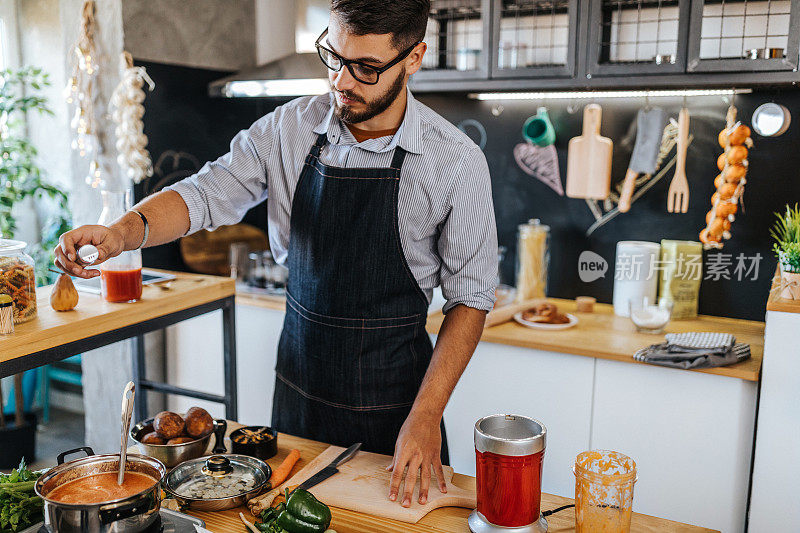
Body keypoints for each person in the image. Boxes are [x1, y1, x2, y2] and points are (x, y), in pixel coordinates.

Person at [55, 0, 496, 508]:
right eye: (333, 55)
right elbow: (204, 193)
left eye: (367, 68)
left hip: (397, 413)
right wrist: (122, 232)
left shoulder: (456, 162)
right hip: (298, 399)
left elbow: (470, 299)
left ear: (413, 57)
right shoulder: (286, 130)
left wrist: (425, 416)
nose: (342, 81)